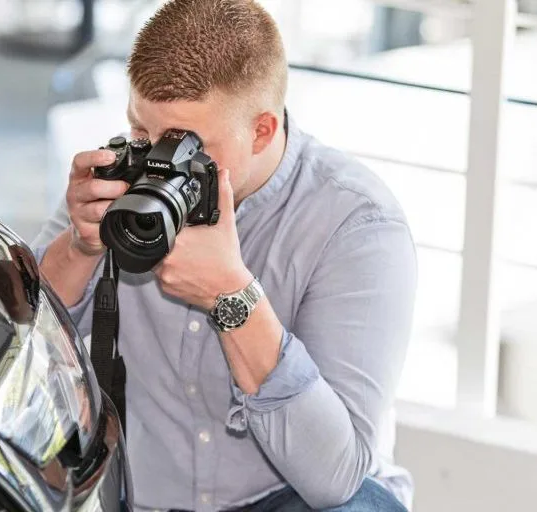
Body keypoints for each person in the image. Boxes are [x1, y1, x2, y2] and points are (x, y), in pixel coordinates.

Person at [31, 1, 417, 510]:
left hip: (289, 497)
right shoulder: (123, 185)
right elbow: (21, 344)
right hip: (147, 494)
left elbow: (335, 475)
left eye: (188, 145)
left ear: (262, 130)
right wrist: (79, 247)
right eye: (142, 134)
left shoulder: (356, 224)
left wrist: (234, 298)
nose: (159, 164)